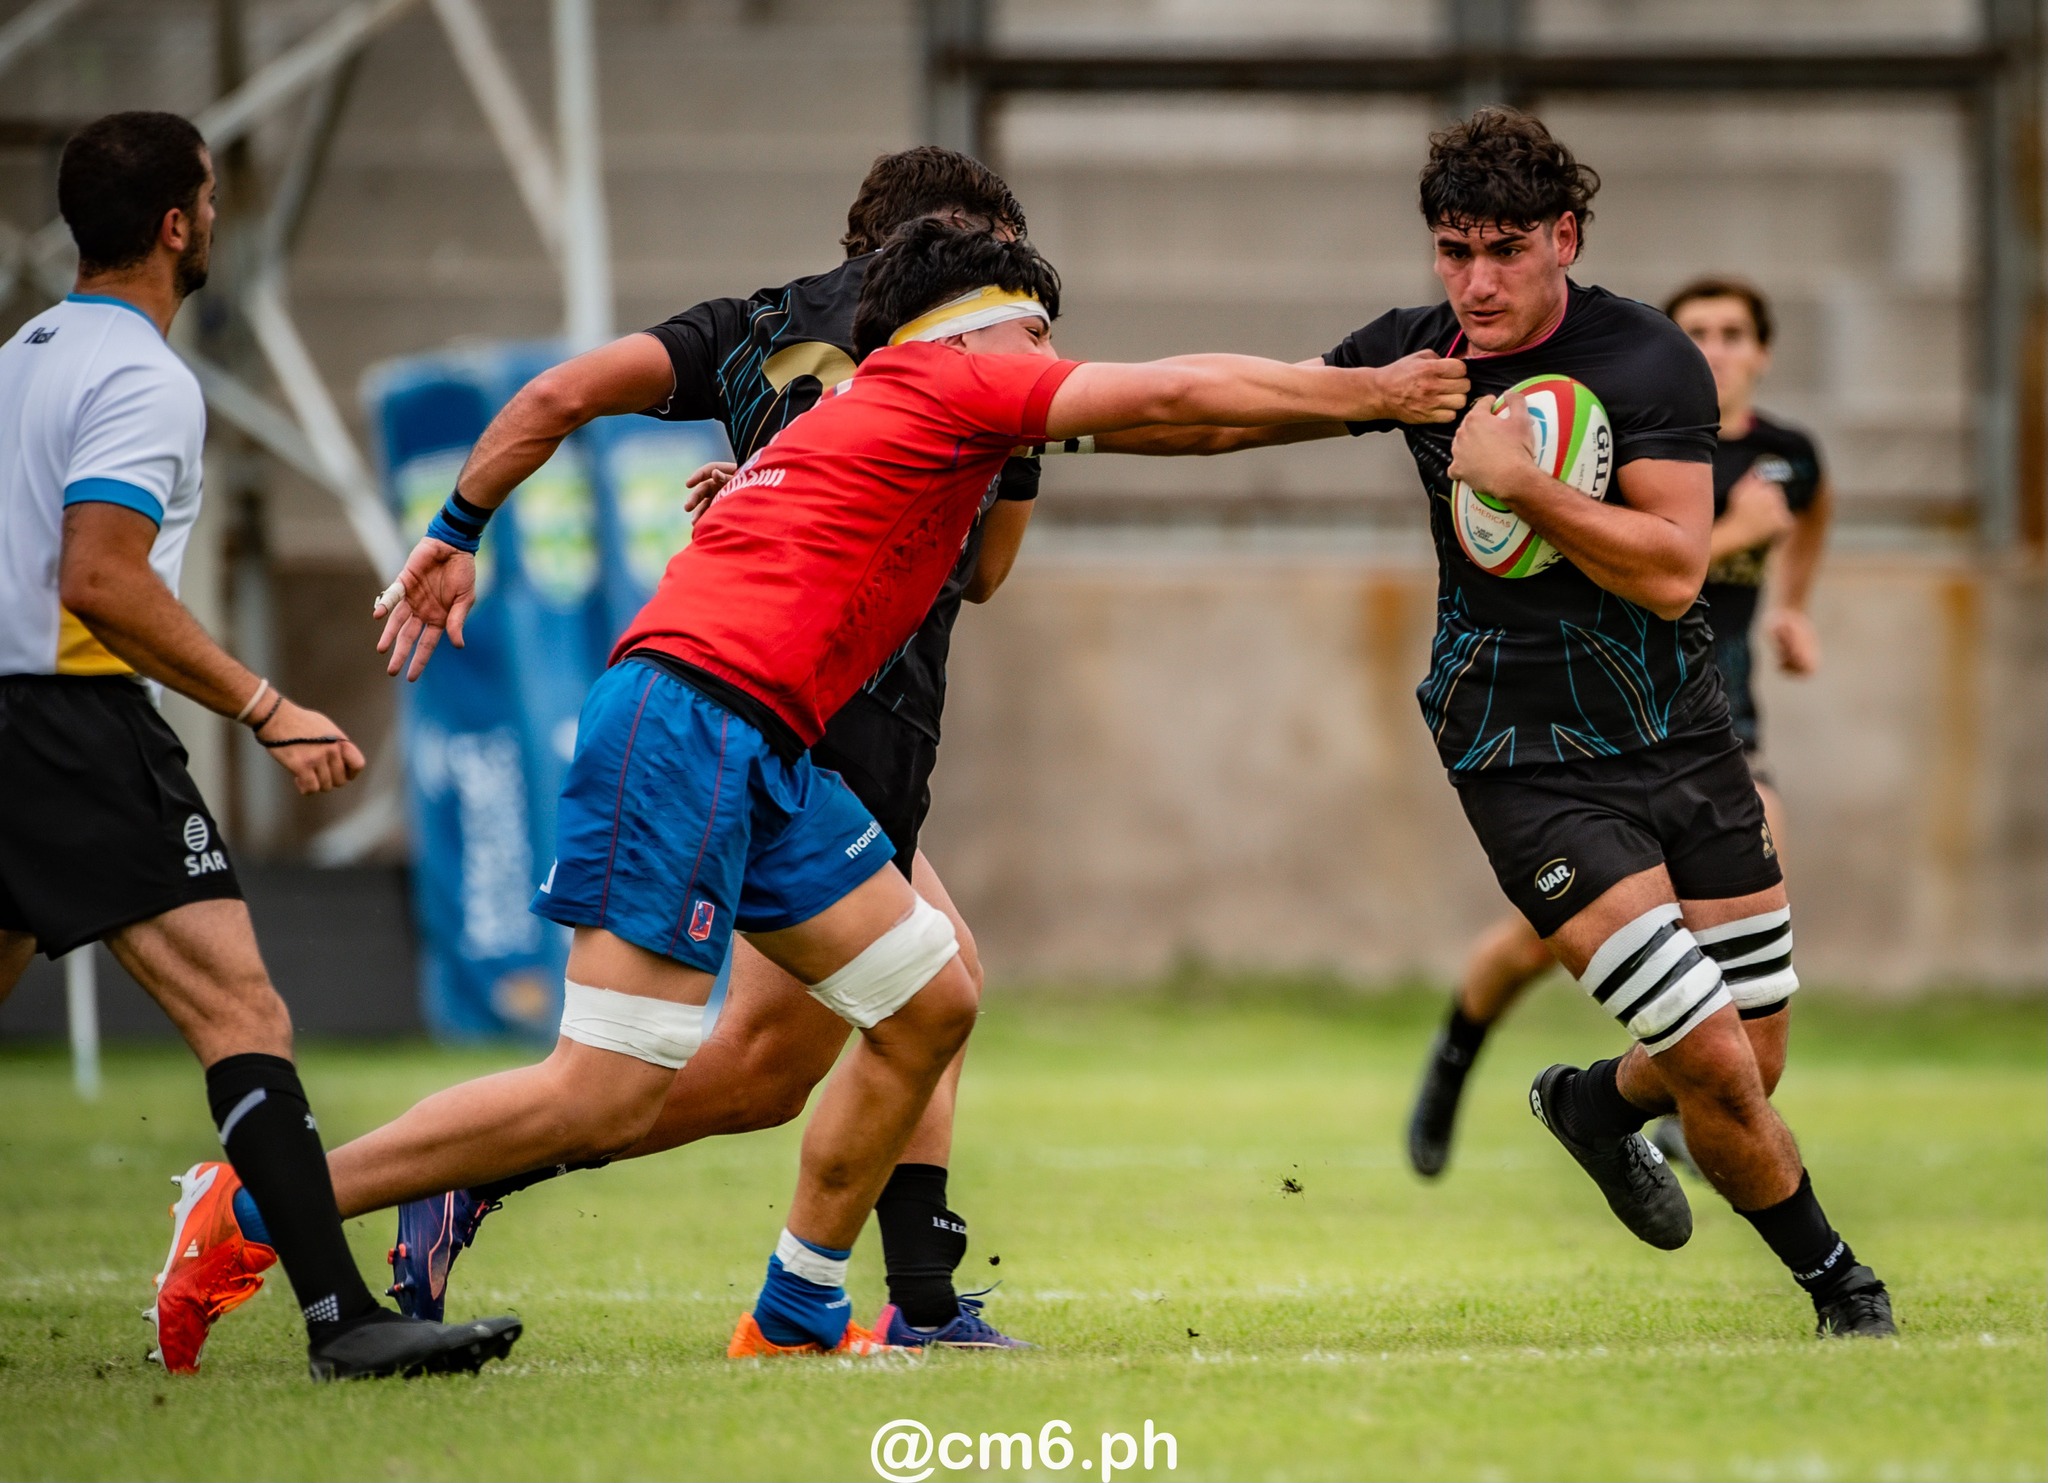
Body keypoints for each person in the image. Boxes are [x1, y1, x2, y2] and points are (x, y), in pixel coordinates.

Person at [173, 220, 1470, 1359]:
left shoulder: (892, 403)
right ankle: (253, 1203)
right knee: (603, 1085)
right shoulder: (953, 378)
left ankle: (796, 1311)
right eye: (1038, 333)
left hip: (764, 739)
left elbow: (1161, 427)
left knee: (926, 991)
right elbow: (1180, 392)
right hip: (688, 717)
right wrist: (1374, 389)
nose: (1048, 360)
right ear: (982, 327)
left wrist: (1345, 400)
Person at [1099, 108, 1891, 1339]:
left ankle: (1588, 1104)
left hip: (1682, 737)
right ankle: (1842, 1288)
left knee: (1750, 1061)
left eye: (1504, 249)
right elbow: (1223, 414)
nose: (1473, 281)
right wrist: (1040, 433)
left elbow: (1675, 570)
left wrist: (1520, 482)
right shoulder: (1414, 359)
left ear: (1563, 238)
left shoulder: (1648, 360)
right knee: (1712, 1059)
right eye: (1451, 249)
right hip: (1515, 750)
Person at [366, 146, 1042, 1352]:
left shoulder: (754, 326)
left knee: (844, 1032)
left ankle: (879, 1301)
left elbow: (558, 394)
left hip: (760, 700)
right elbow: (983, 575)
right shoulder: (982, 363)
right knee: (846, 1025)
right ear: (969, 255)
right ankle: (461, 1174)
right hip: (823, 720)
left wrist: (456, 525)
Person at [0, 111, 520, 1381]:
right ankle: (345, 1319)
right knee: (242, 1006)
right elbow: (102, 581)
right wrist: (264, 704)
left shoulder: (20, 355)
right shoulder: (141, 375)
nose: (218, 220)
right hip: (66, 724)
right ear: (178, 223)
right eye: (214, 199)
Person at [1404, 275, 1832, 1181]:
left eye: (1734, 333)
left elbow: (1807, 521)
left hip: (1718, 724)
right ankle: (1453, 1060)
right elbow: (1643, 560)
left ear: (1762, 350)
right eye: (1698, 333)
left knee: (1750, 925)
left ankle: (1683, 1105)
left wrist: (1793, 606)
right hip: (1598, 727)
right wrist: (1733, 531)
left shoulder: (1790, 456)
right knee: (1533, 945)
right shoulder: (1620, 438)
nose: (1715, 349)